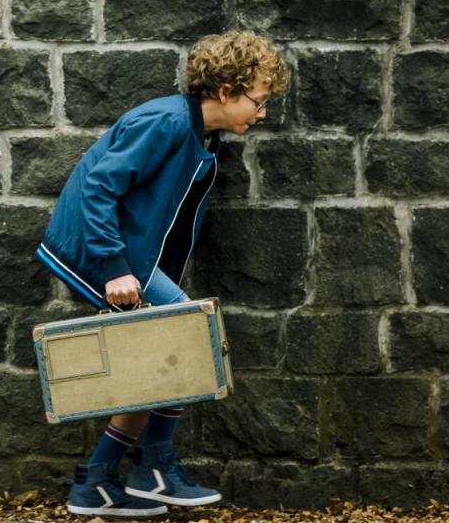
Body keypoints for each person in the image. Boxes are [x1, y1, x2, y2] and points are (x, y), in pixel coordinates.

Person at [36, 30, 289, 518]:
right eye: (258, 102)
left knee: (159, 356)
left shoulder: (200, 134)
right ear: (225, 91)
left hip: (133, 258)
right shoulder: (167, 122)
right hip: (100, 255)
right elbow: (96, 188)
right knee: (185, 339)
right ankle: (151, 467)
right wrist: (114, 268)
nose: (262, 114)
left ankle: (99, 482)